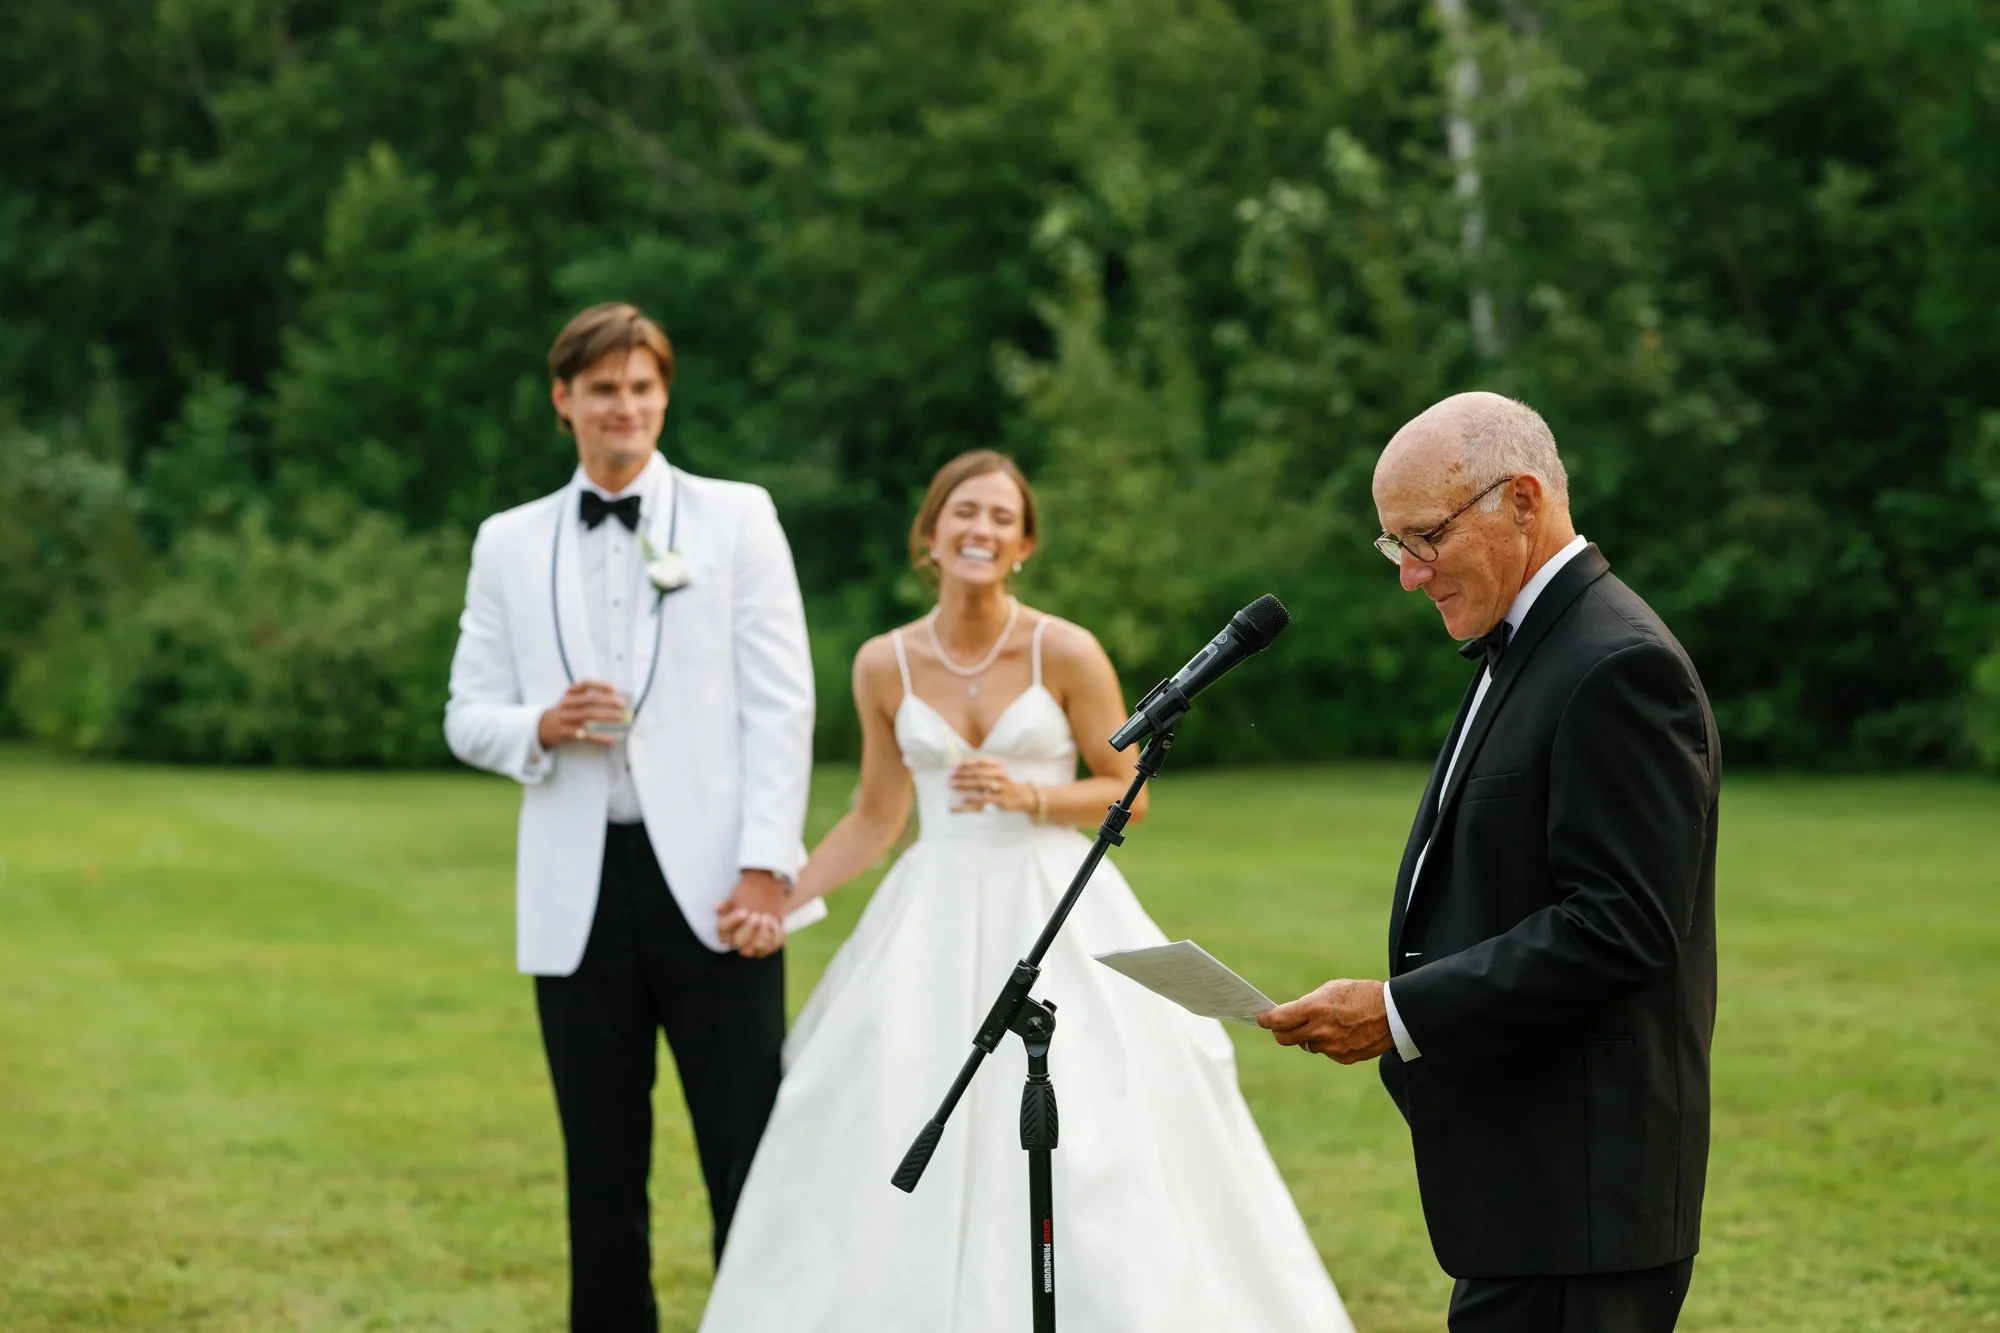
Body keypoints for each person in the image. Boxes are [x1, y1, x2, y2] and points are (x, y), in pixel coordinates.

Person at [697, 450, 1353, 1331]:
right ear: (930, 534)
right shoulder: (881, 663)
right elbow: (876, 816)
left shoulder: (1065, 649)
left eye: (1003, 518)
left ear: (1024, 544)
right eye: (965, 512)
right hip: (929, 912)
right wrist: (785, 894)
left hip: (1054, 902)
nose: (983, 529)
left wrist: (1031, 795)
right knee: (879, 1090)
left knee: (1098, 1113)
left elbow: (1130, 789)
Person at [1259, 392, 1720, 1332]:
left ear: (1521, 500)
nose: (1408, 576)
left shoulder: (1618, 663)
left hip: (1585, 1195)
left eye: (1422, 538)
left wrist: (1397, 1011)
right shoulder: (1532, 643)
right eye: (1394, 547)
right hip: (1533, 1186)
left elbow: (1621, 926)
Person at [443, 302, 818, 1331]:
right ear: (563, 402)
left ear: (664, 397)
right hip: (576, 893)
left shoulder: (738, 516)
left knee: (745, 1150)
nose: (626, 407)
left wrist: (762, 867)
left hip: (715, 889)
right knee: (598, 1168)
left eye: (642, 388)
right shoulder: (507, 541)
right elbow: (464, 713)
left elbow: (782, 705)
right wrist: (539, 723)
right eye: (604, 389)